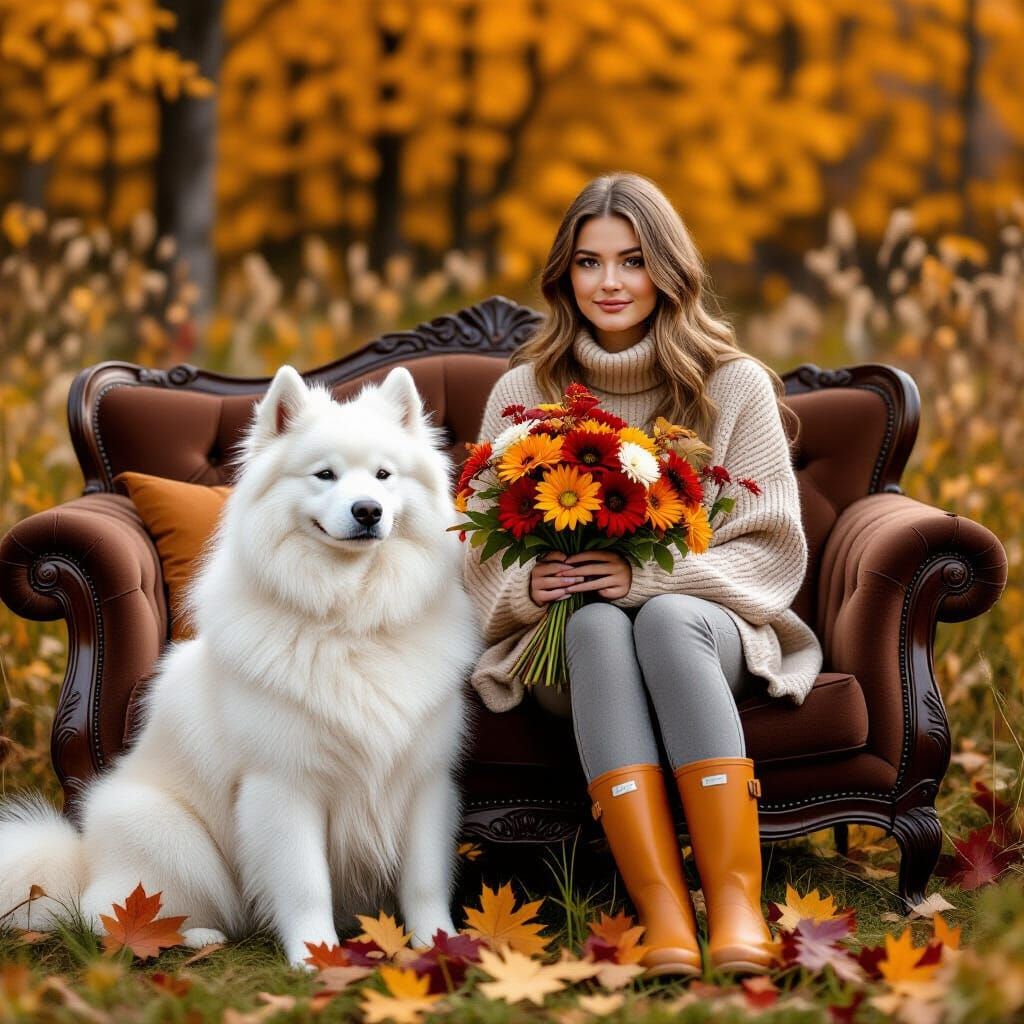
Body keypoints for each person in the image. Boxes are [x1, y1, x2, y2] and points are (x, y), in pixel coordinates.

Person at [462, 172, 824, 978]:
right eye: (589, 264)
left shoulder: (730, 386)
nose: (612, 283)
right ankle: (662, 912)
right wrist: (530, 588)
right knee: (593, 622)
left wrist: (649, 580)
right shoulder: (526, 391)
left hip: (702, 630)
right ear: (565, 277)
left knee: (658, 619)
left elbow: (770, 547)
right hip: (563, 644)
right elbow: (478, 549)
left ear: (667, 269)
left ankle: (731, 906)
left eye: (632, 261)